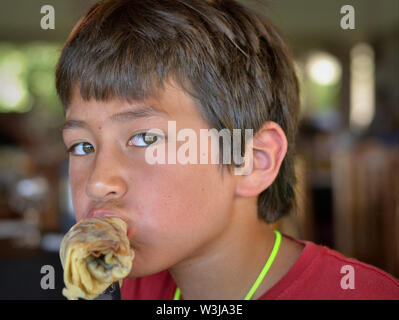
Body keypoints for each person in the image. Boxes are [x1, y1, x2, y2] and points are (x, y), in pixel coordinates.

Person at [56, 0, 399, 299]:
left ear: (253, 161)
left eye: (146, 139)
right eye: (83, 145)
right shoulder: (133, 283)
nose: (97, 183)